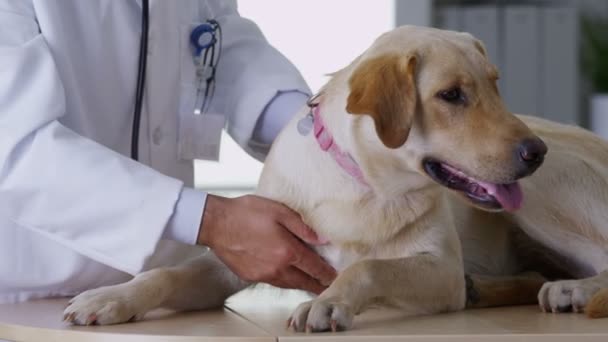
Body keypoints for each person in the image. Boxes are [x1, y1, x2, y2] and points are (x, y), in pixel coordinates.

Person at [0, 0, 336, 304]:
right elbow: (17, 149)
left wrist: (320, 136)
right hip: (29, 300)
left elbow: (218, 44)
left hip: (158, 296)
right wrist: (213, 222)